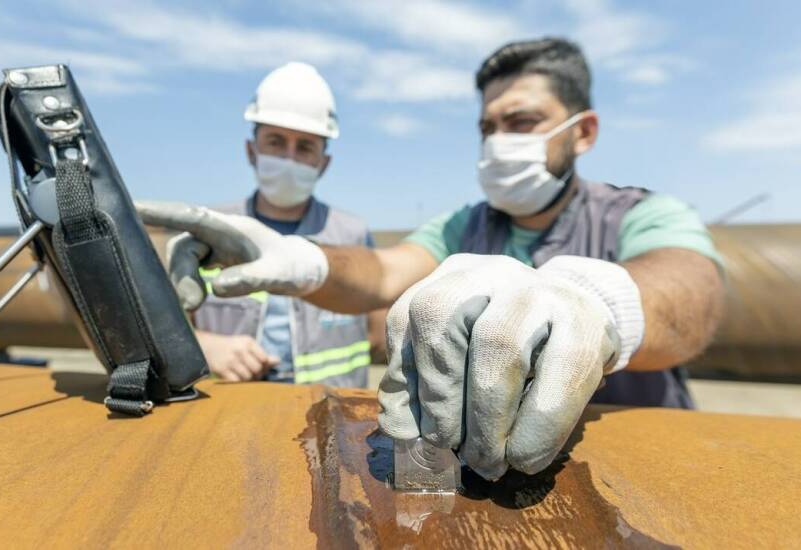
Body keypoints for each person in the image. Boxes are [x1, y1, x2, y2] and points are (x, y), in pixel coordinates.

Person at [139, 38, 725, 480]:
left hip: (631, 474)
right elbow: (385, 272)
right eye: (487, 127)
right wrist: (304, 260)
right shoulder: (463, 226)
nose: (499, 142)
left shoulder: (639, 214)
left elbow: (690, 293)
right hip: (484, 477)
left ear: (584, 131)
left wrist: (596, 302)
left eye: (520, 123)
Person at [180, 62, 384, 387]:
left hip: (329, 416)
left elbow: (379, 335)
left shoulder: (353, 234)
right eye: (275, 141)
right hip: (226, 411)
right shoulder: (210, 229)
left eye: (305, 146)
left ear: (324, 162)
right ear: (251, 150)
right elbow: (164, 322)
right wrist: (202, 345)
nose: (289, 158)